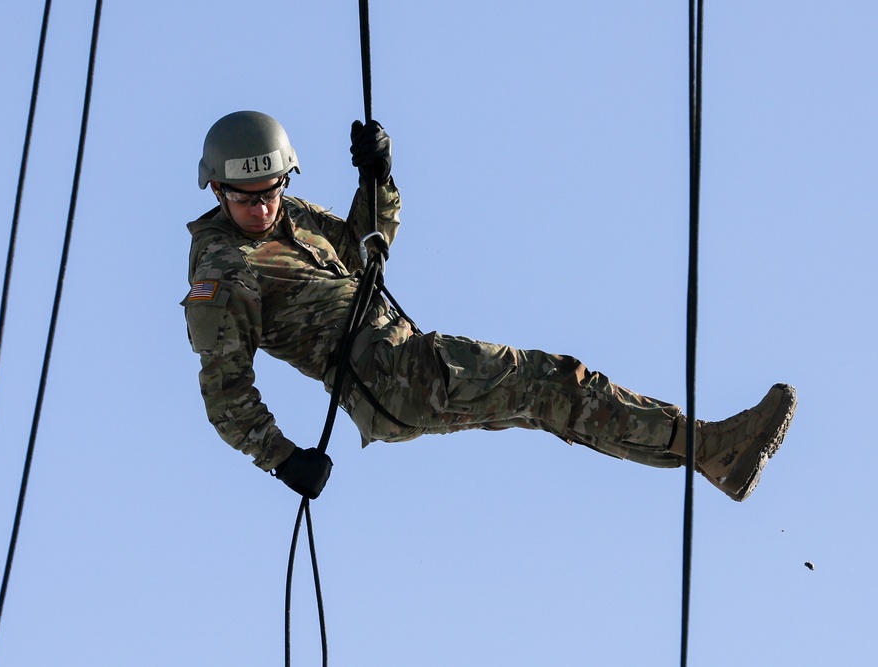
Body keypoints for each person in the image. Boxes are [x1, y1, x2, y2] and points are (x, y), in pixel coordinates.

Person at [183, 110, 796, 502]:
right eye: (246, 198)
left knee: (548, 400)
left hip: (406, 357)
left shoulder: (291, 218)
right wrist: (283, 458)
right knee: (550, 381)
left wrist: (377, 178)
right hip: (389, 379)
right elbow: (225, 389)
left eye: (272, 191)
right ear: (217, 188)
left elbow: (369, 249)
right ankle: (709, 447)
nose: (263, 208)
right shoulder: (224, 270)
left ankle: (708, 456)